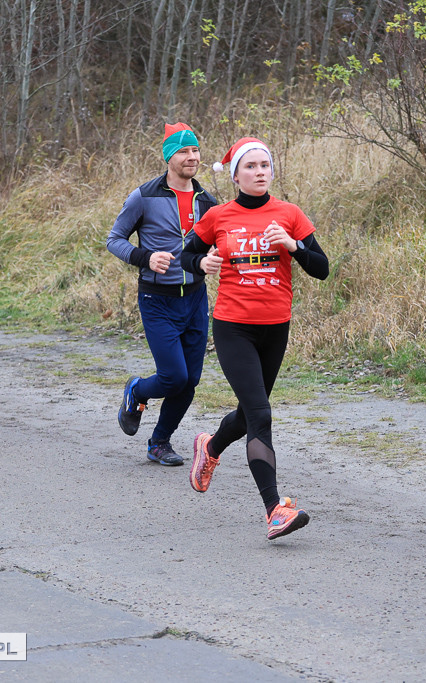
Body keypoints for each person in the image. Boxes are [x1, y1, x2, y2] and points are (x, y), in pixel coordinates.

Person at [179, 137, 329, 540]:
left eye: (265, 165)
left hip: (275, 326)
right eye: (251, 166)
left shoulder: (290, 214)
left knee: (250, 413)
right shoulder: (218, 216)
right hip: (233, 326)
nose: (260, 171)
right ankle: (274, 509)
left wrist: (294, 246)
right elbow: (185, 256)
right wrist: (202, 262)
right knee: (261, 415)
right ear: (236, 175)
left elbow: (322, 269)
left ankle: (209, 447)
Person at [106, 122, 217, 465]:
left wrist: (210, 260)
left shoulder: (208, 201)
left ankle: (159, 443)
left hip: (196, 298)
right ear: (169, 157)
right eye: (183, 151)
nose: (191, 157)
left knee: (190, 381)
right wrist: (146, 257)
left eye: (195, 150)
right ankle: (136, 391)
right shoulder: (144, 196)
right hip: (157, 299)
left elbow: (213, 246)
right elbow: (114, 240)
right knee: (174, 376)